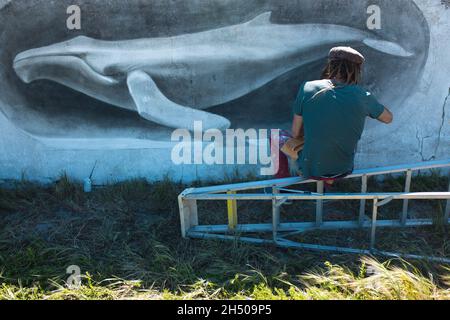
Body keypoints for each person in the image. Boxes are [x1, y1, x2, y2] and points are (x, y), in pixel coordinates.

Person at [286, 46, 393, 184]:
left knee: (279, 138)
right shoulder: (363, 96)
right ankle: (327, 184)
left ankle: (280, 191)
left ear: (330, 64)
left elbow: (295, 133)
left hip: (309, 168)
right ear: (357, 70)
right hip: (343, 169)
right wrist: (368, 103)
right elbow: (388, 118)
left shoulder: (308, 87)